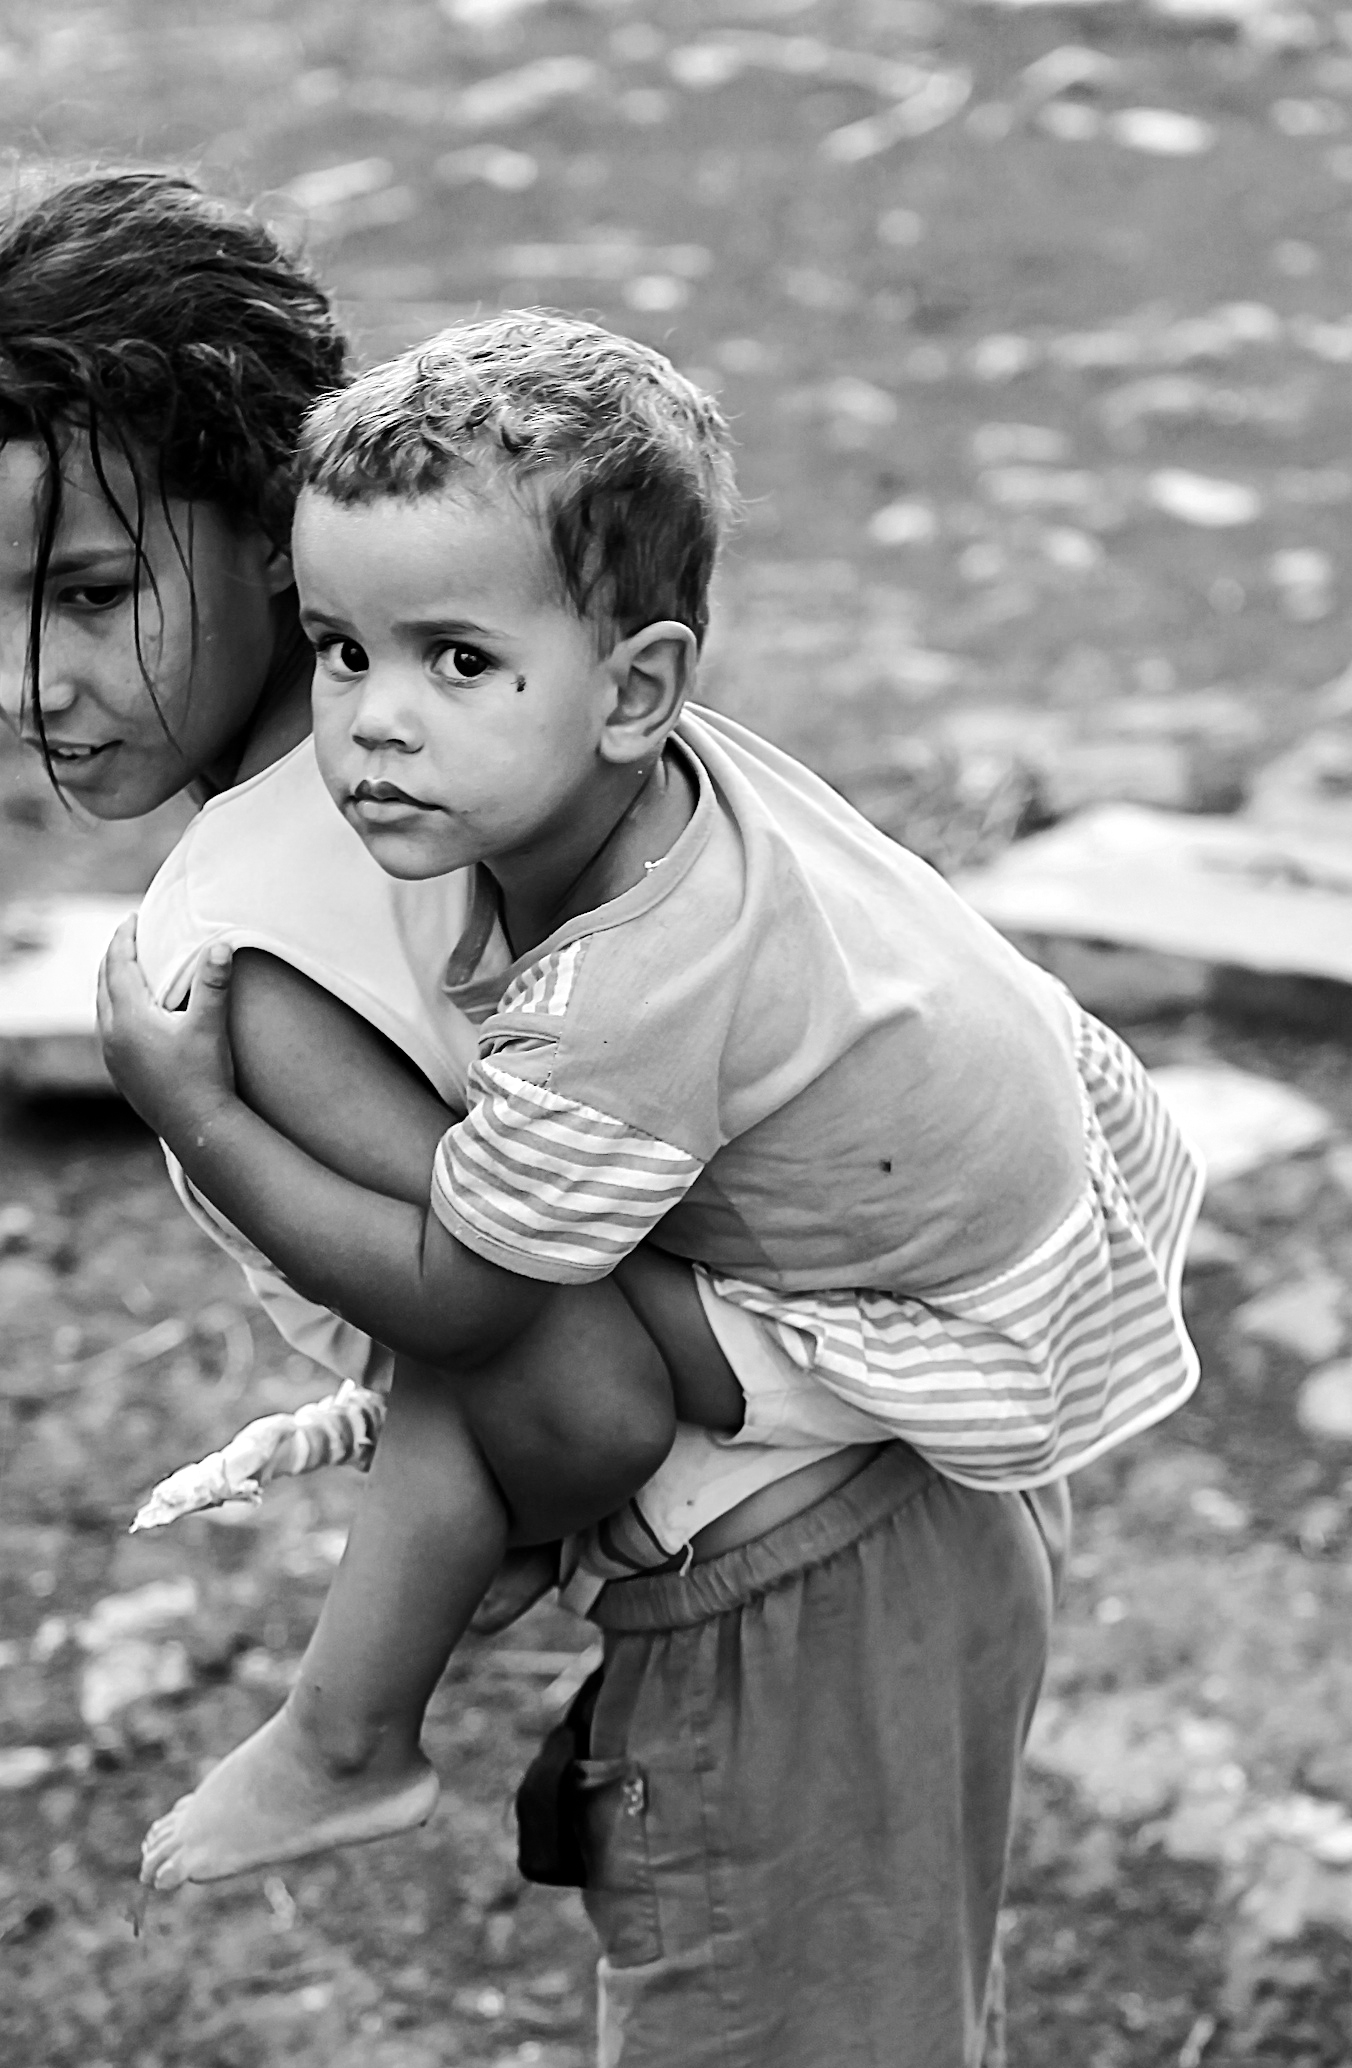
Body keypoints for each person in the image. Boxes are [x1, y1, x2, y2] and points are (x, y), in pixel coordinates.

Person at [0, 182, 1116, 2068]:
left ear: (274, 520)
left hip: (781, 1597)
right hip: (913, 1507)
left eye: (87, 593)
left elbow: (568, 1383)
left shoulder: (249, 940)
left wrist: (208, 1130)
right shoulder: (503, 744)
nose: (19, 681)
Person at [100, 304, 1201, 1871]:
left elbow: (465, 1298)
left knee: (472, 1354)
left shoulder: (632, 991)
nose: (373, 721)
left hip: (932, 1313)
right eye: (343, 652)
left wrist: (192, 1104)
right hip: (1005, 1167)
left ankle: (347, 1737)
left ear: (634, 690)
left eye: (458, 661)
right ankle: (480, 1541)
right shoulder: (648, 788)